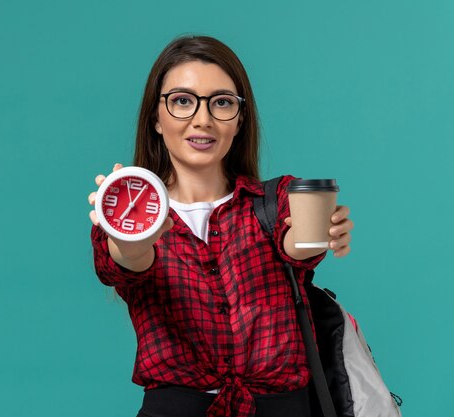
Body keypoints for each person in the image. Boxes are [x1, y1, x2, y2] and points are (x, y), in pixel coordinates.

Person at [87, 35, 354, 417]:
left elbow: (297, 245)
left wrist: (321, 233)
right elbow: (126, 259)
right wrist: (132, 235)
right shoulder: (129, 215)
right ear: (156, 119)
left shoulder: (274, 200)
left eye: (222, 103)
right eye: (182, 101)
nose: (203, 119)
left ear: (239, 120)